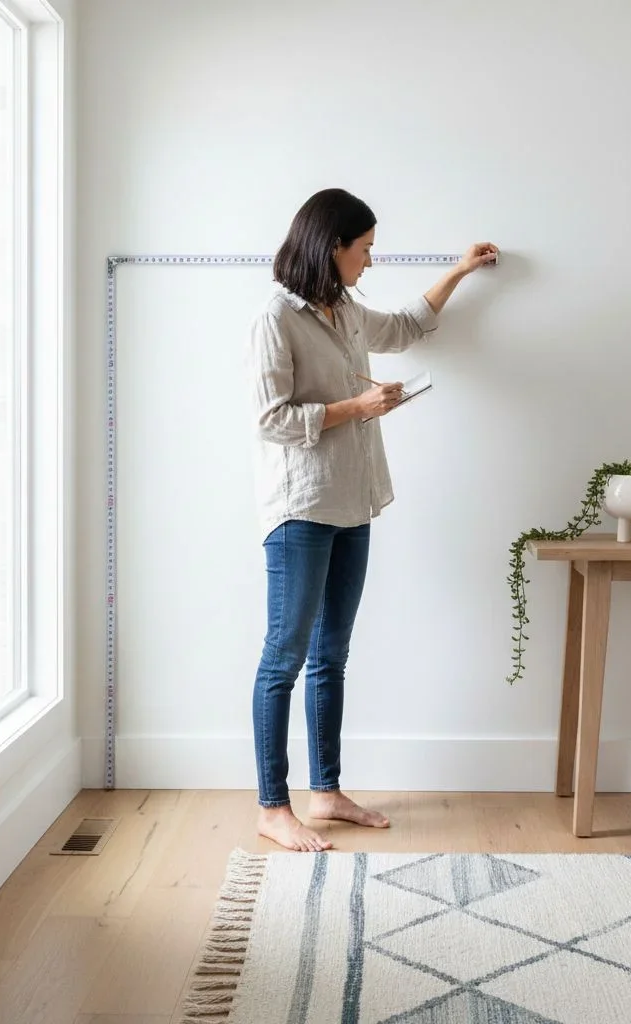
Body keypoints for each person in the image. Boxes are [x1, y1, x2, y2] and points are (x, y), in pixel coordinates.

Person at [247, 187, 497, 851]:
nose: (370, 260)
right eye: (364, 249)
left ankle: (325, 792)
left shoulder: (348, 309)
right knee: (284, 658)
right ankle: (273, 807)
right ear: (332, 247)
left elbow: (407, 326)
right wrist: (357, 407)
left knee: (331, 656)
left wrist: (461, 270)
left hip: (353, 502)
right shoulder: (276, 317)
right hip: (301, 508)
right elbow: (270, 420)